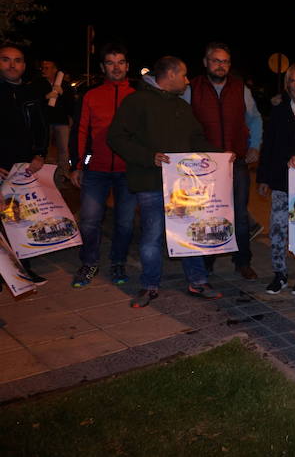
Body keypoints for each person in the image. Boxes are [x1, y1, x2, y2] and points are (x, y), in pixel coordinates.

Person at [107, 56, 227, 308]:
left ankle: (197, 281)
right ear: (170, 75)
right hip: (150, 182)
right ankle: (149, 285)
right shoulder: (137, 101)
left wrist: (220, 155)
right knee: (151, 235)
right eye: (183, 75)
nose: (186, 80)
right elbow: (116, 137)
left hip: (182, 186)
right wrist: (148, 157)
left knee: (188, 232)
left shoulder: (181, 107)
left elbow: (196, 139)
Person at [182, 42, 262, 280]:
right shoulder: (192, 88)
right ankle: (207, 261)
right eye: (216, 60)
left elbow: (255, 119)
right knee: (207, 214)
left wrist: (255, 146)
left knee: (239, 213)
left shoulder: (240, 88)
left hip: (235, 162)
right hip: (203, 166)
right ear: (206, 62)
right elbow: (182, 124)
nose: (221, 65)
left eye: (225, 61)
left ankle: (242, 261)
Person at [69, 43, 137, 288]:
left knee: (125, 222)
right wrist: (76, 165)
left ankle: (118, 261)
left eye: (120, 62)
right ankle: (89, 262)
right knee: (88, 220)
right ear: (103, 67)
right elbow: (80, 131)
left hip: (127, 171)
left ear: (127, 66)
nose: (116, 67)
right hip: (95, 169)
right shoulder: (91, 95)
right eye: (110, 62)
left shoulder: (137, 96)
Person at [257, 62, 295, 295]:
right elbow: (268, 147)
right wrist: (263, 178)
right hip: (281, 182)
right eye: (292, 81)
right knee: (278, 230)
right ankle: (280, 274)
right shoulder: (278, 112)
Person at [0, 44, 49, 284]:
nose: (12, 65)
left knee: (20, 220)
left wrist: (39, 155)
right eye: (6, 60)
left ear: (24, 65)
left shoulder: (30, 94)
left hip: (22, 168)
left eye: (17, 60)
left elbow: (41, 127)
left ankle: (22, 270)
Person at [37, 58, 75, 176]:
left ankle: (62, 175)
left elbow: (71, 105)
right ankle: (45, 176)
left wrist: (63, 93)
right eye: (42, 68)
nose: (44, 70)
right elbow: (33, 102)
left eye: (47, 68)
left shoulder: (64, 85)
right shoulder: (38, 83)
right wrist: (45, 97)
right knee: (44, 150)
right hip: (45, 122)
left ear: (55, 70)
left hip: (61, 122)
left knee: (63, 150)